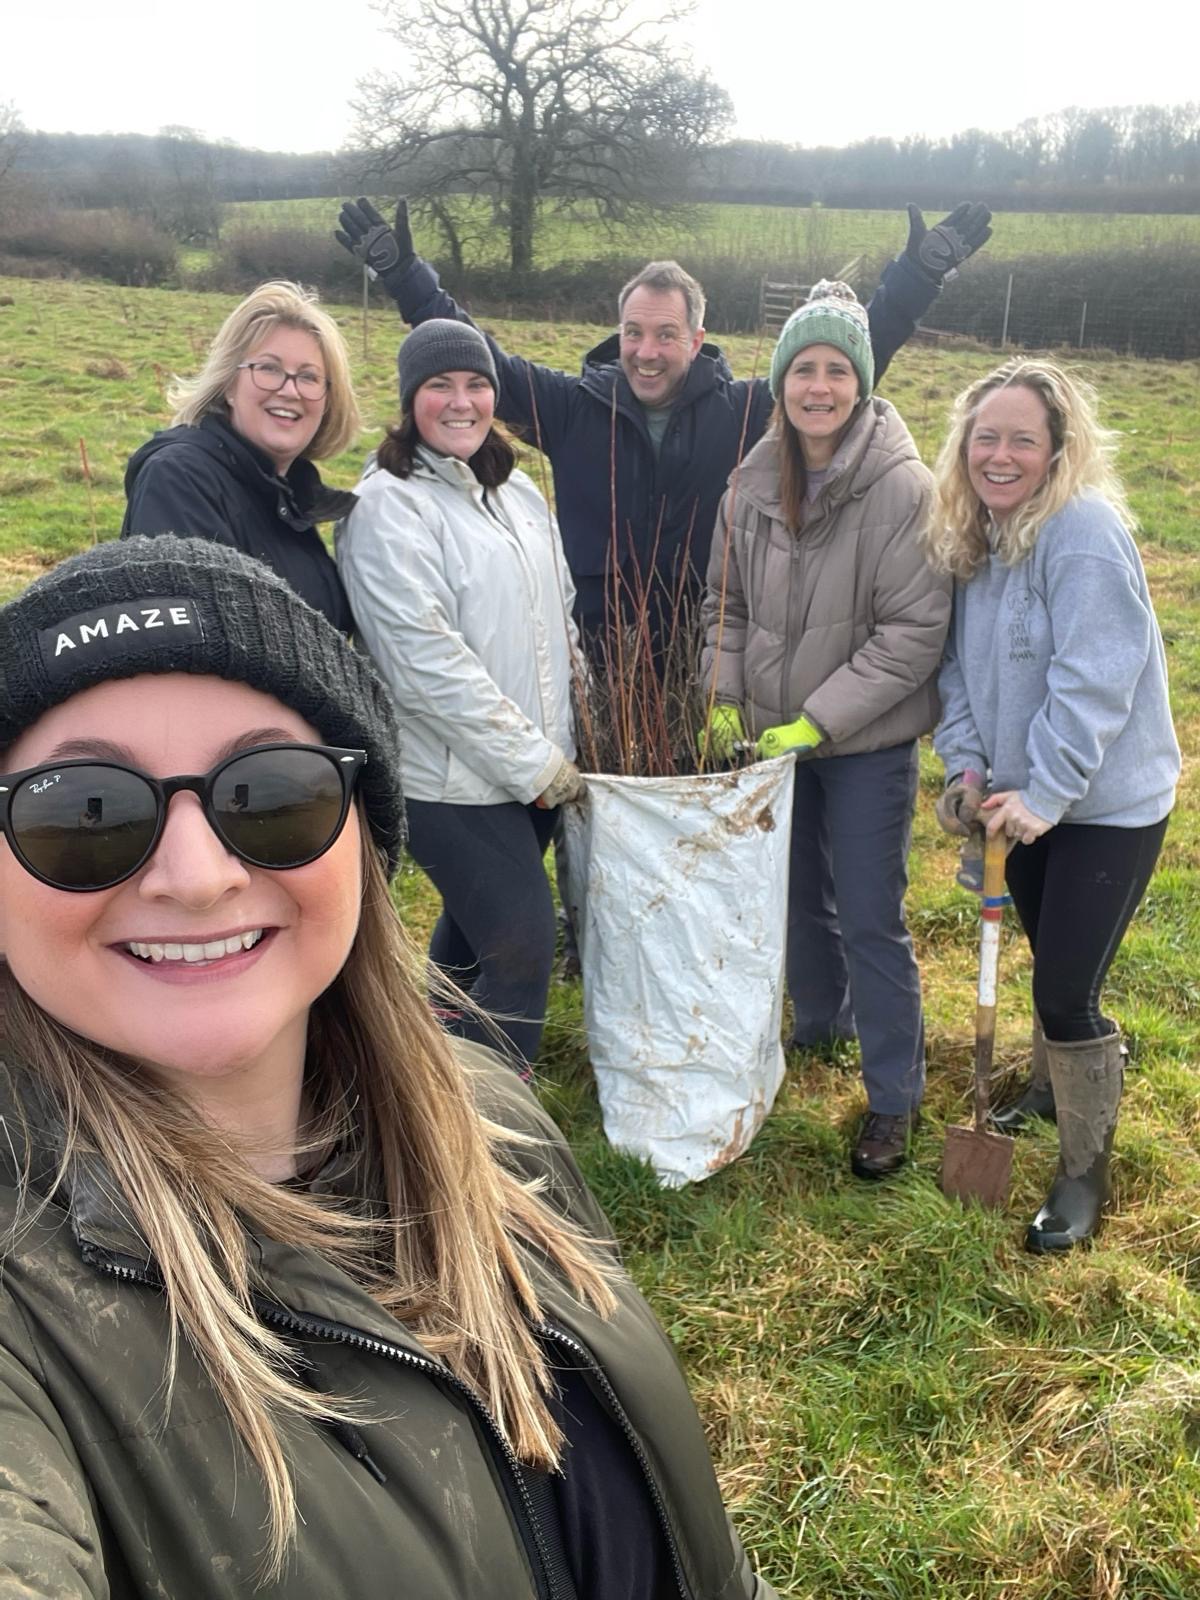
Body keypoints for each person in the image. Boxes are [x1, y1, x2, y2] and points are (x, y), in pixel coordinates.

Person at [0, 534, 776, 1600]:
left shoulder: (484, 1111)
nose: (195, 876)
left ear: (359, 833)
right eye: (84, 812)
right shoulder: (24, 1296)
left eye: (270, 794)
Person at [334, 197, 991, 653]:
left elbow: (834, 362)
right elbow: (479, 362)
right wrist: (405, 278)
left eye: (666, 335)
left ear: (697, 336)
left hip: (700, 658)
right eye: (634, 332)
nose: (647, 351)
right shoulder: (571, 409)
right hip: (594, 656)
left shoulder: (741, 411)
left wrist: (916, 279)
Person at [927, 358, 1180, 1253]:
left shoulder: (1081, 532)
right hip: (1016, 798)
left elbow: (1096, 679)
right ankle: (1048, 1087)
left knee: (1068, 987)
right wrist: (966, 769)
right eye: (985, 437)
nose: (1000, 455)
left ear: (1057, 448)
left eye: (1022, 440)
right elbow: (954, 672)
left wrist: (1049, 789)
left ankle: (1083, 1172)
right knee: (1048, 954)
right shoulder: (975, 539)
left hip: (1105, 803)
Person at [700, 282, 951, 1180]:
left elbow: (914, 634)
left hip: (864, 748)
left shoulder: (903, 489)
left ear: (862, 383)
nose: (818, 386)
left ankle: (893, 1098)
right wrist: (723, 701)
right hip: (771, 741)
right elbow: (720, 609)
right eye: (803, 368)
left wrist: (818, 719)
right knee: (797, 895)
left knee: (872, 916)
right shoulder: (753, 483)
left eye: (836, 370)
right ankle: (819, 1022)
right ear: (781, 383)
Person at [336, 320, 585, 1075]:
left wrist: (576, 732)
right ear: (410, 400)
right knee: (520, 945)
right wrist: (533, 763)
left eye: (475, 384)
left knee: (473, 939)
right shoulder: (388, 507)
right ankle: (502, 1145)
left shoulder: (515, 492)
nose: (461, 401)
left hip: (536, 766)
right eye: (439, 385)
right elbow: (424, 662)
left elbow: (561, 615)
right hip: (450, 781)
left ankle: (427, 1079)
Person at [122, 280, 360, 630]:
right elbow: (190, 645)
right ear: (229, 385)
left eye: (309, 377)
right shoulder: (179, 479)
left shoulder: (286, 496)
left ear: (327, 400)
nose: (290, 389)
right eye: (268, 369)